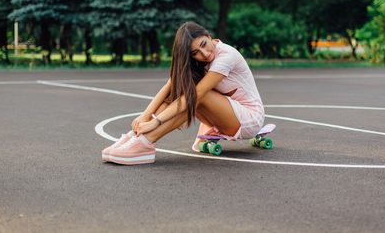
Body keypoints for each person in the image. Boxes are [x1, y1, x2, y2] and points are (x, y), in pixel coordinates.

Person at [101, 22, 265, 165]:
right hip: (225, 114)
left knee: (197, 96)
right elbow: (169, 86)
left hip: (249, 118)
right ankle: (135, 137)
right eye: (195, 53)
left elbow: (196, 95)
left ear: (208, 35)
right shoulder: (197, 61)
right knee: (178, 91)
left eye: (203, 44)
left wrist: (155, 122)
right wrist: (144, 116)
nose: (204, 54)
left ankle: (145, 143)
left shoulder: (226, 56)